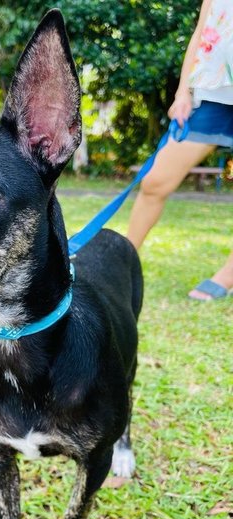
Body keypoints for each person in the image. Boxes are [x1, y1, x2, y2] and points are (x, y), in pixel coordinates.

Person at [127, 0, 233, 300]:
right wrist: (183, 91)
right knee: (156, 180)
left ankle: (228, 275)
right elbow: (202, 33)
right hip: (214, 92)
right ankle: (126, 258)